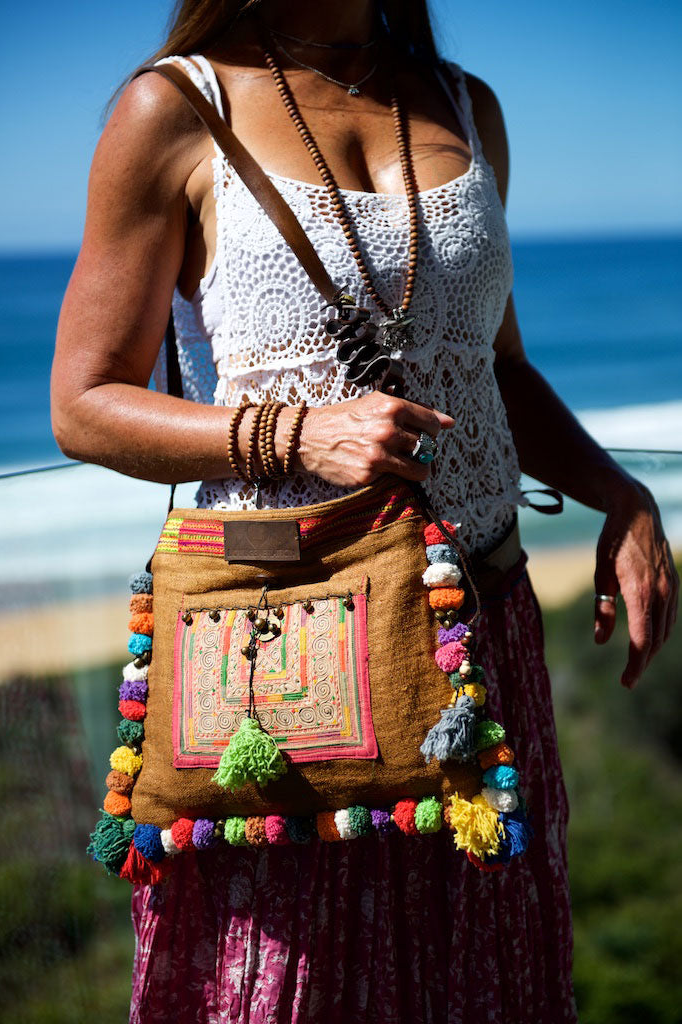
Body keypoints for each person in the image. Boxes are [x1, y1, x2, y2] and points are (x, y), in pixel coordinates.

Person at [51, 1, 678, 1021]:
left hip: (482, 634)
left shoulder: (467, 108)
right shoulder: (171, 108)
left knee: (484, 973)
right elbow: (81, 402)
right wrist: (294, 434)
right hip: (292, 645)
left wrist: (621, 493)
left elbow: (498, 366)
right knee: (290, 984)